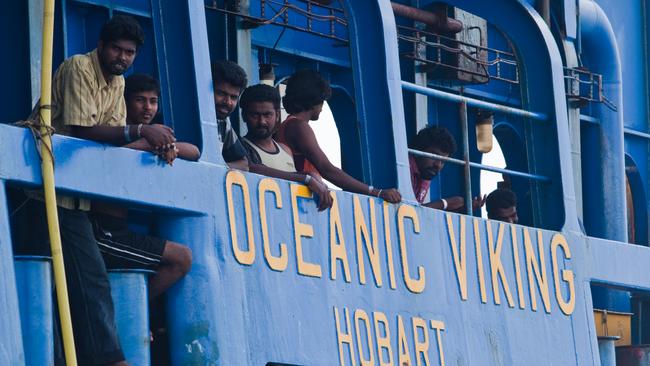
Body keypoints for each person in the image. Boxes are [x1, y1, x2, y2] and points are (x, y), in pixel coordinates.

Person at [11, 15, 165, 366]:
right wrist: (139, 131)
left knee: (76, 284)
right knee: (88, 280)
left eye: (130, 53)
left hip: (75, 199)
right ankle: (110, 360)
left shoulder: (118, 83)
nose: (122, 58)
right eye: (117, 49)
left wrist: (150, 140)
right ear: (101, 45)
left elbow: (107, 145)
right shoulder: (79, 67)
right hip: (43, 195)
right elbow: (82, 130)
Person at [90, 73, 195, 301]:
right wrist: (148, 142)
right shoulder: (115, 131)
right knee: (181, 258)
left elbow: (195, 151)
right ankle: (129, 312)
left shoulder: (156, 134)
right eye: (140, 100)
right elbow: (122, 153)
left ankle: (135, 315)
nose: (148, 108)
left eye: (153, 101)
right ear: (125, 101)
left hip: (123, 230)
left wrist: (168, 145)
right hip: (104, 234)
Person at [276, 70, 401, 203]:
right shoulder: (299, 126)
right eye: (322, 101)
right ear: (313, 101)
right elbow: (326, 169)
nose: (322, 107)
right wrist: (376, 192)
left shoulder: (288, 125)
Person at [238, 84, 333, 211]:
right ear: (244, 116)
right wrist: (306, 177)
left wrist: (309, 177)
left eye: (267, 115)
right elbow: (251, 168)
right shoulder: (240, 146)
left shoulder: (285, 150)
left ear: (277, 115)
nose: (262, 121)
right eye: (255, 115)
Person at [409, 125, 485, 212]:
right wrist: (445, 203)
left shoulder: (426, 173)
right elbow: (408, 210)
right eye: (434, 156)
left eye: (443, 161)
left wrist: (462, 209)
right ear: (418, 150)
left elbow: (415, 212)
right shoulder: (407, 166)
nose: (438, 165)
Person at [212, 60, 249, 170]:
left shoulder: (224, 122)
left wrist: (217, 169)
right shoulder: (189, 114)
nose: (228, 102)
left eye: (233, 97)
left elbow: (243, 164)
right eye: (221, 93)